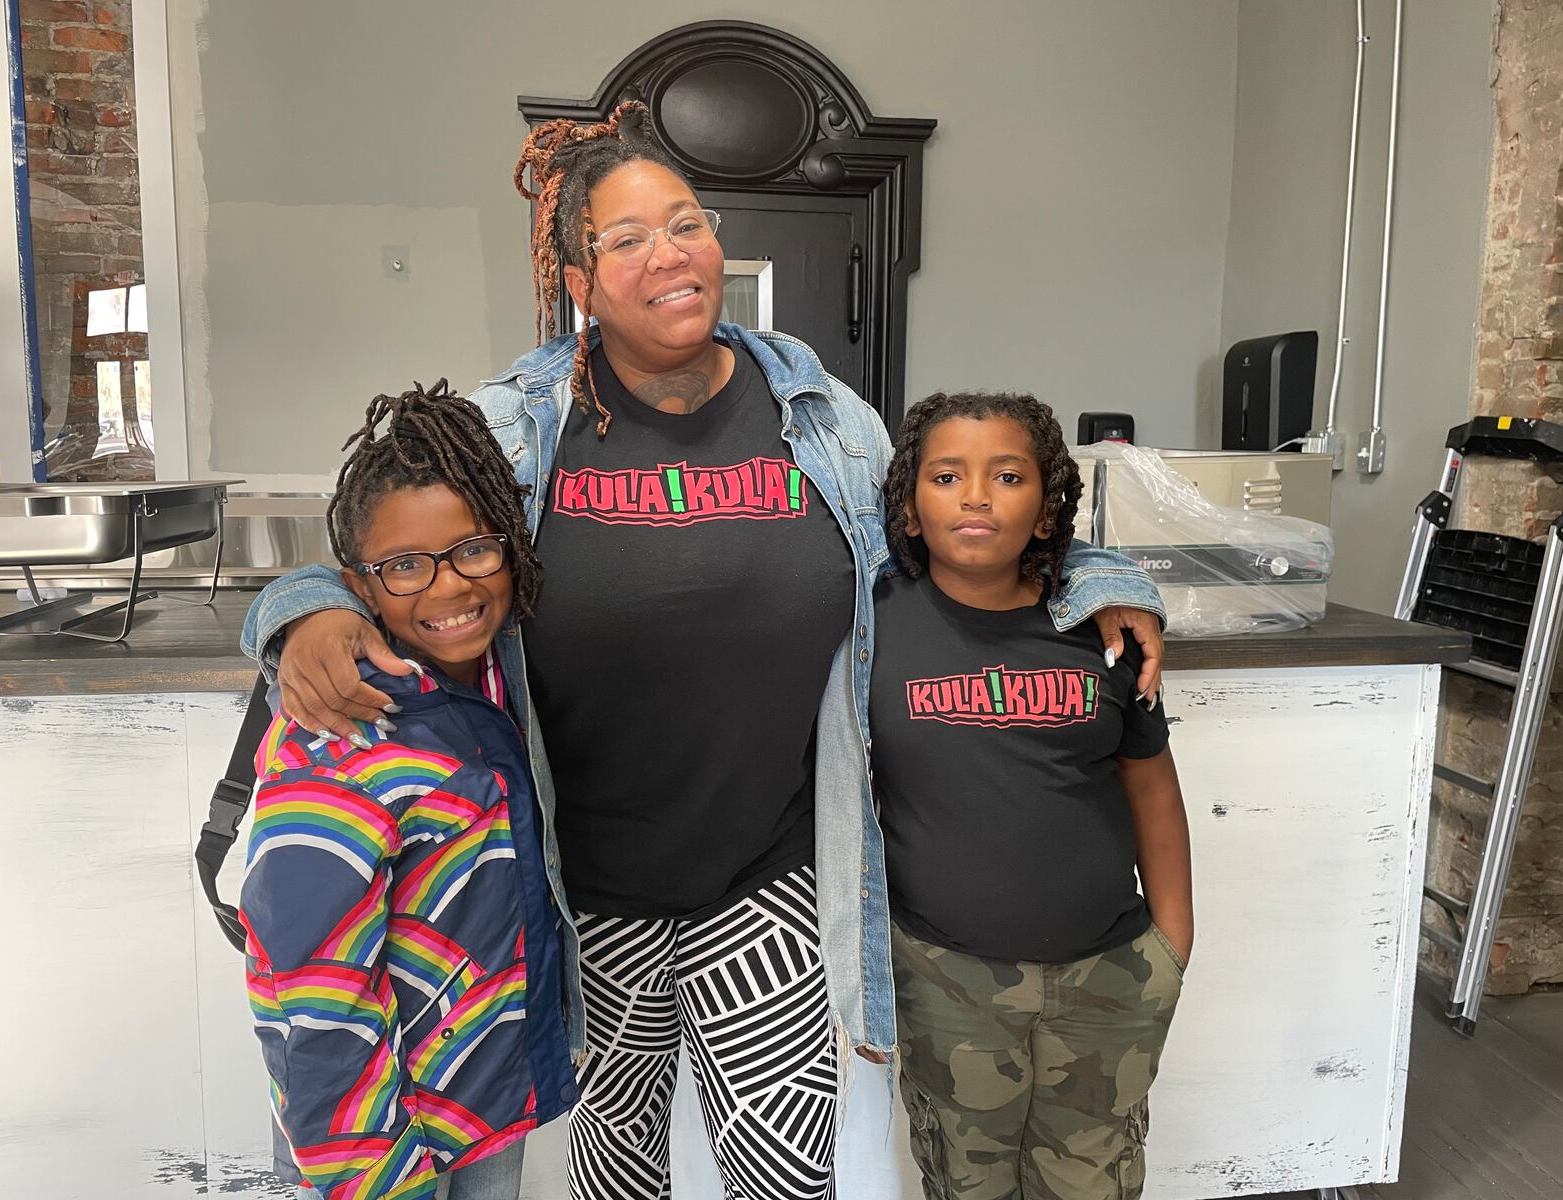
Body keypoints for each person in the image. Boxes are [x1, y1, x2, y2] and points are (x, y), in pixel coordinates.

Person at [240, 103, 1168, 1200]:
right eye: (624, 239)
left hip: (768, 879)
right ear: (579, 282)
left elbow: (969, 529)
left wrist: (1108, 576)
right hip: (584, 888)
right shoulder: (515, 426)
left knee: (782, 1179)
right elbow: (376, 527)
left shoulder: (825, 418)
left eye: (683, 223)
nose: (666, 254)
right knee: (615, 1167)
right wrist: (299, 609)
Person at [239, 383, 575, 1200]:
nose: (449, 587)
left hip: (481, 1103)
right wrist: (375, 1176)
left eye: (474, 549)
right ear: (358, 585)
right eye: (404, 567)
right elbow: (317, 989)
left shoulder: (499, 678)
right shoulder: (344, 728)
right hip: (380, 1143)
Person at [871, 391, 1191, 1200]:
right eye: (946, 475)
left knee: (1093, 1180)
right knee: (966, 1182)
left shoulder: (1105, 631)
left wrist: (1171, 946)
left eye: (1008, 476)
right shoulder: (873, 625)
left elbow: (1152, 785)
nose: (976, 495)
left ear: (1046, 512)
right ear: (909, 507)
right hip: (948, 982)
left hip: (1111, 977)